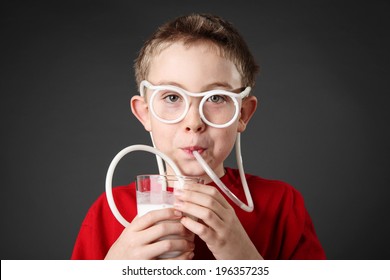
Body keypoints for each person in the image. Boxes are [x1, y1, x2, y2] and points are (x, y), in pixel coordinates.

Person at [71, 13, 326, 260]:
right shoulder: (110, 211)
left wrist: (244, 260)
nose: (193, 123)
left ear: (243, 114)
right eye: (172, 97)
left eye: (216, 98)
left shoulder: (281, 205)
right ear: (145, 113)